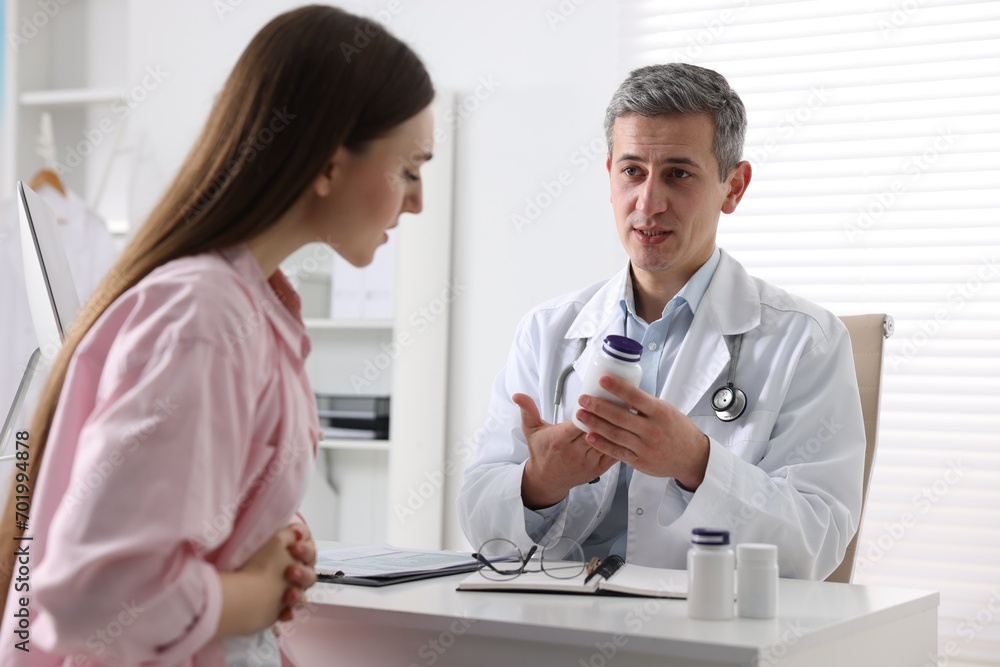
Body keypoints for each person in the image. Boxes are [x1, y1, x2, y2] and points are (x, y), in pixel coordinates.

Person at [0, 5, 434, 666]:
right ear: (327, 161)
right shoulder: (205, 318)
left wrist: (270, 536)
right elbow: (92, 597)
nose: (418, 200)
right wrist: (250, 594)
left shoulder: (247, 308)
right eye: (409, 167)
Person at [457, 63, 865, 581]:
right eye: (632, 172)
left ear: (733, 187)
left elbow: (816, 539)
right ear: (609, 178)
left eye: (678, 173)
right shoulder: (548, 330)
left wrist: (697, 463)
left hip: (704, 635)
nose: (648, 203)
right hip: (557, 625)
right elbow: (478, 514)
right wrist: (539, 482)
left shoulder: (808, 340)